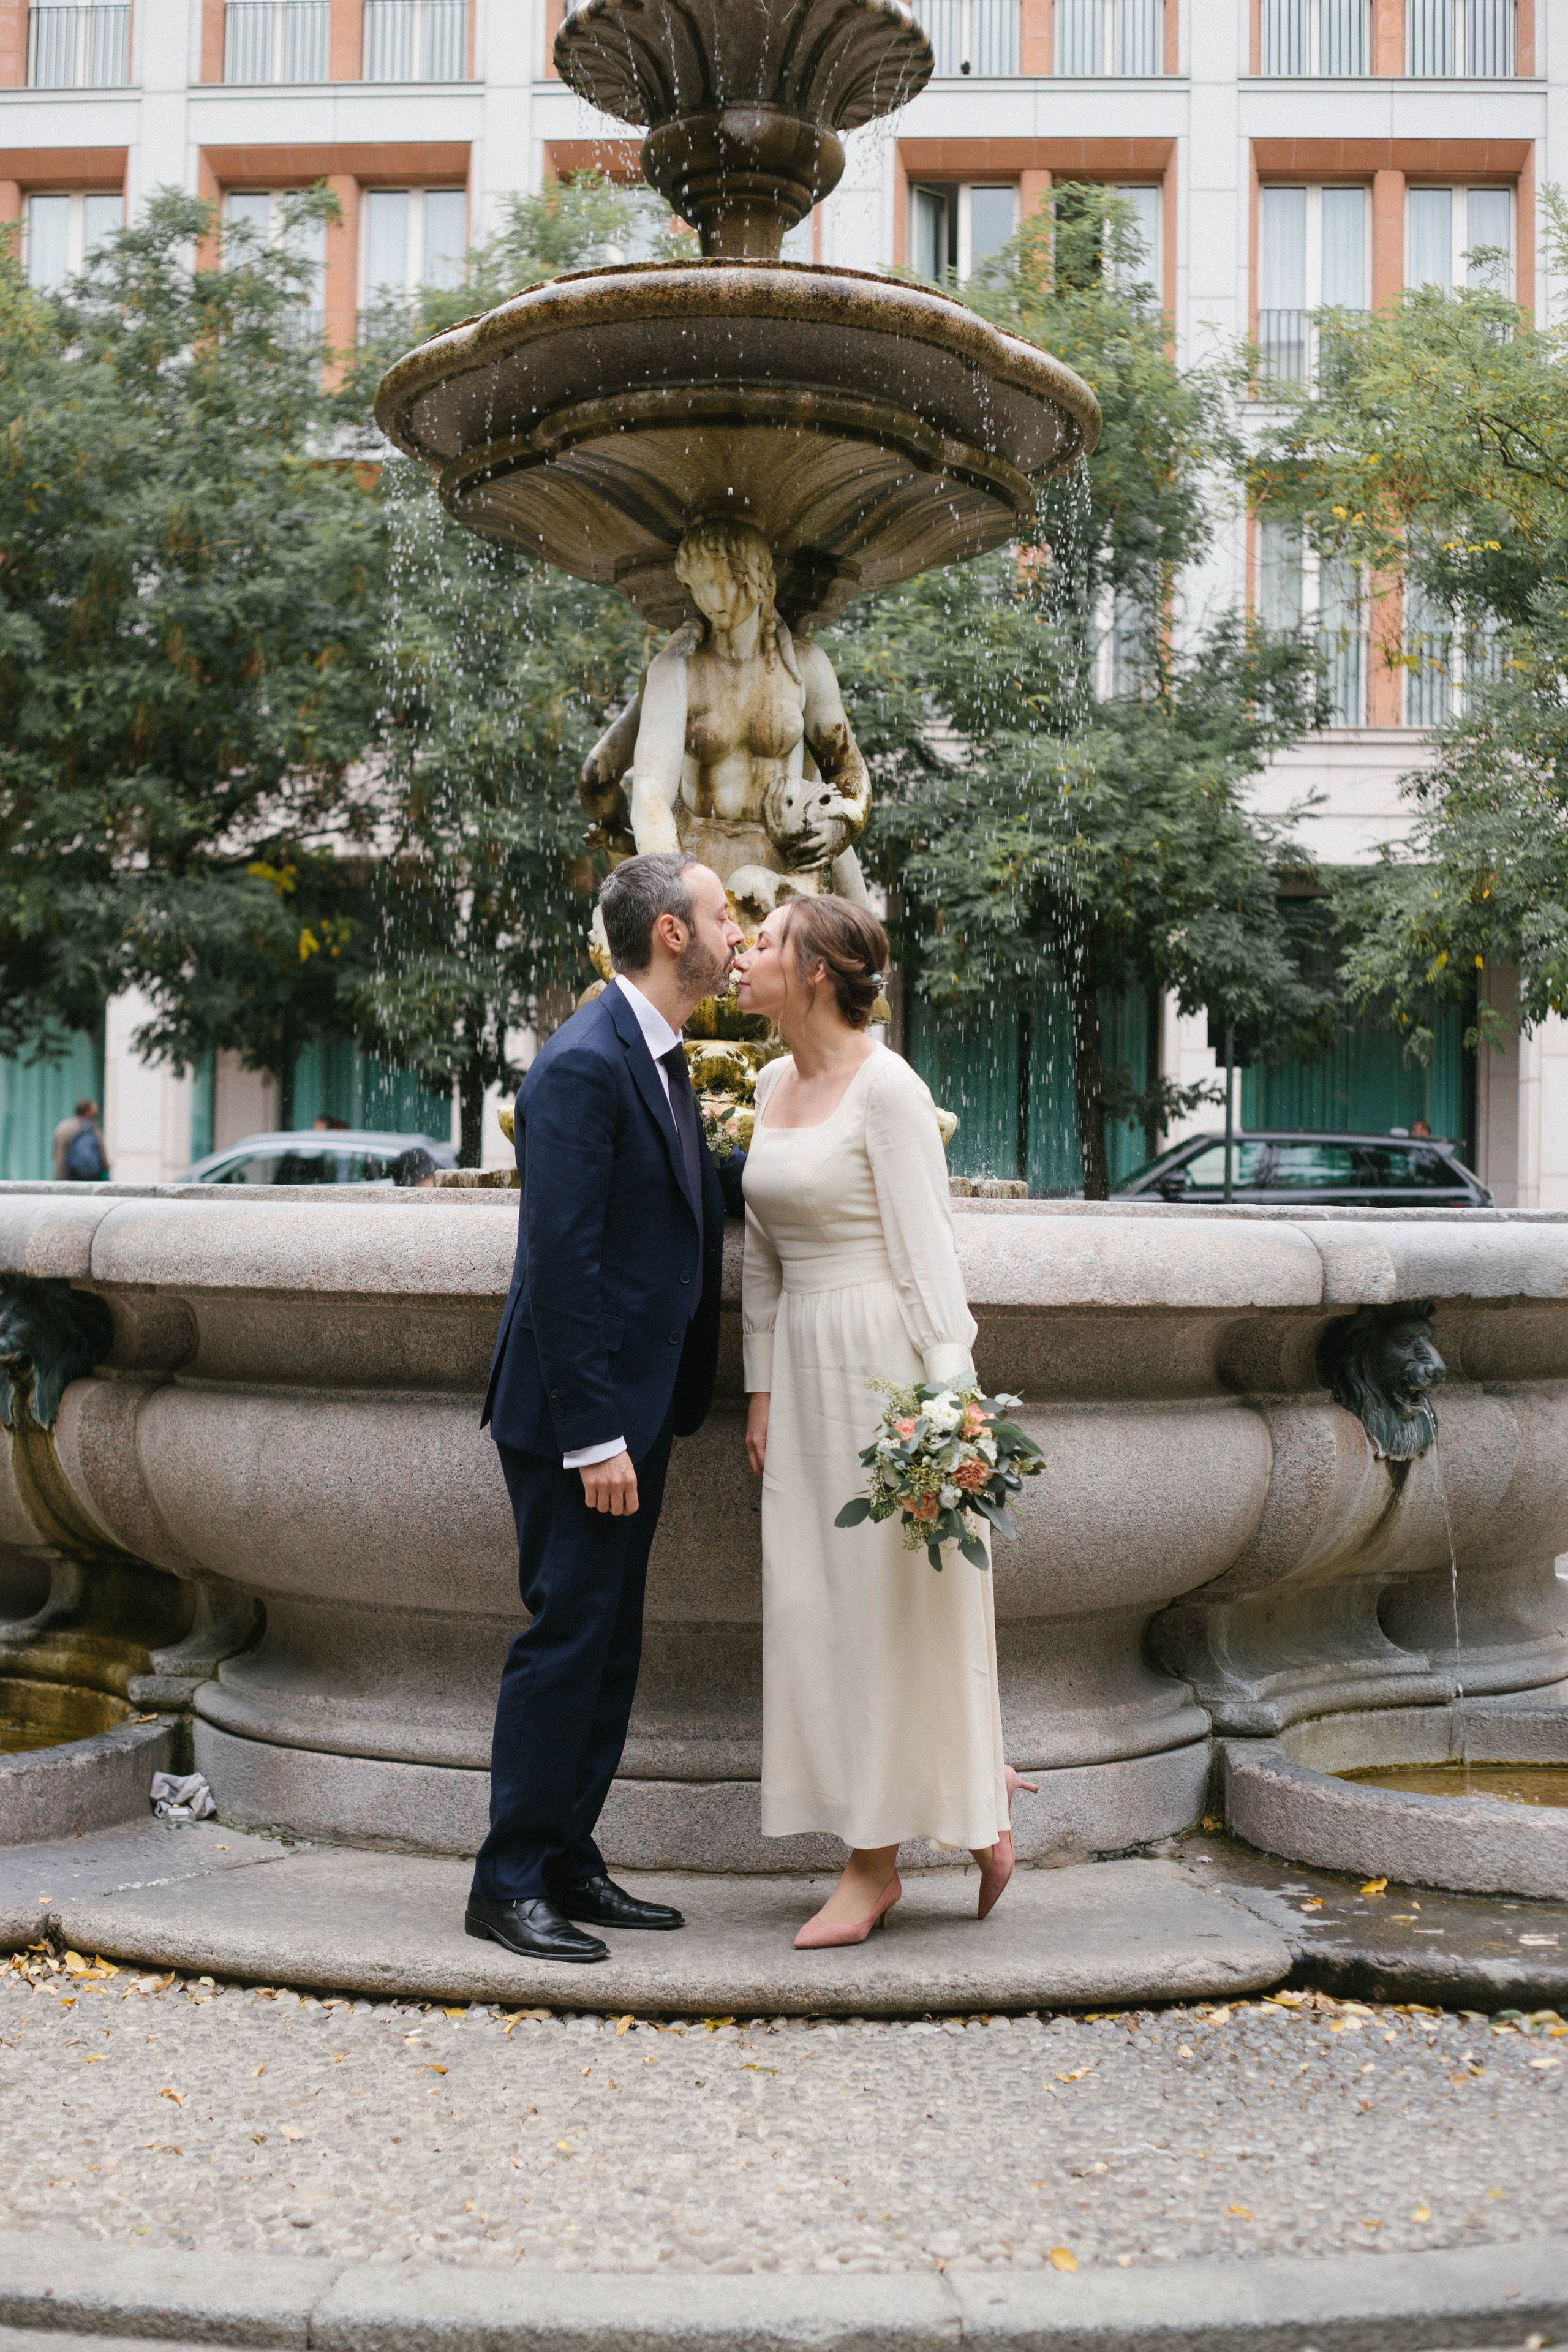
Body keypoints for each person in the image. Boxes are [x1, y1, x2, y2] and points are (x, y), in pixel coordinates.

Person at [734, 897, 1032, 1951]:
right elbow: (762, 1258)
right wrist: (761, 1391)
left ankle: (874, 1869)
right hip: (806, 1374)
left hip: (883, 1370)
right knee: (817, 1612)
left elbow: (929, 1259)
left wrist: (949, 1416)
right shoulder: (772, 1083)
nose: (743, 952)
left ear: (816, 971)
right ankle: (980, 1797)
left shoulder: (890, 1088)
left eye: (764, 942)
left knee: (884, 1614)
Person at [467, 851, 747, 1965]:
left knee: (610, 1646)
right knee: (566, 1639)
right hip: (580, 1421)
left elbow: (681, 1200)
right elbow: (561, 1267)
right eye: (724, 915)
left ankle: (568, 1859)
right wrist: (596, 1437)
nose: (738, 931)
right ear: (671, 934)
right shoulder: (585, 1062)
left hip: (638, 1409)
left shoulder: (660, 1057)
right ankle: (506, 1881)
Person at [54, 1098, 108, 1183]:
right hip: (91, 1178)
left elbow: (58, 1154)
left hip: (67, 1176)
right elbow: (102, 1156)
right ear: (88, 1112)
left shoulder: (63, 1127)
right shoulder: (94, 1129)